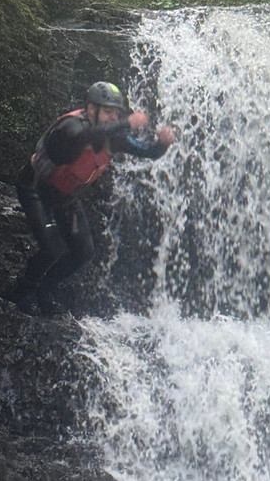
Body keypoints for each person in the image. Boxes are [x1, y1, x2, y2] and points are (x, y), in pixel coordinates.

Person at [9, 81, 175, 314]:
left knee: (83, 252)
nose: (113, 118)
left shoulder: (114, 138)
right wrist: (126, 122)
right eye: (108, 112)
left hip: (64, 198)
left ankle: (44, 290)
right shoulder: (70, 127)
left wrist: (162, 145)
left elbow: (146, 152)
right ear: (90, 110)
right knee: (53, 246)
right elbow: (81, 139)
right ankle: (22, 291)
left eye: (116, 113)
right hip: (35, 189)